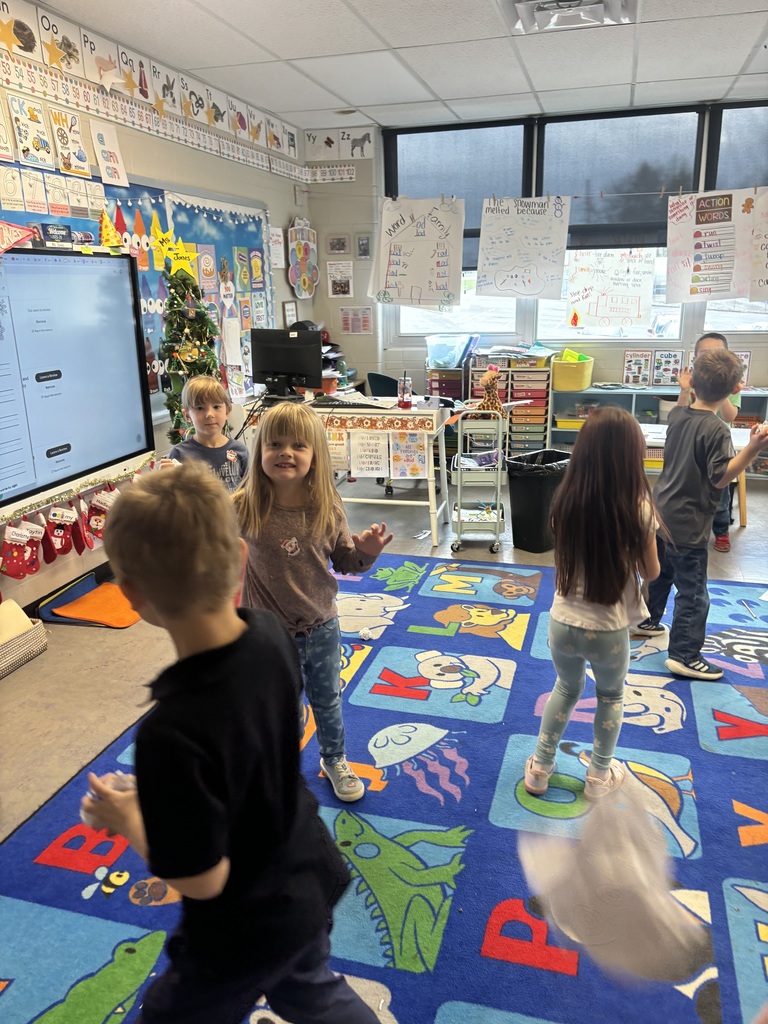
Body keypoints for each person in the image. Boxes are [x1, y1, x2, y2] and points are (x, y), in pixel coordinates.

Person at [80, 463, 379, 1024]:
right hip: (307, 874)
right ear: (242, 559)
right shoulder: (270, 638)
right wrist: (168, 795)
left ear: (131, 596)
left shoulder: (171, 732)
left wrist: (130, 819)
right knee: (308, 989)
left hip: (242, 928)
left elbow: (201, 877)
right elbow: (239, 751)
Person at [233, 402, 393, 802]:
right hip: (267, 634)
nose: (286, 452)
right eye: (275, 443)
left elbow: (347, 563)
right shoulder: (244, 505)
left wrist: (368, 551)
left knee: (326, 701)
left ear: (315, 455)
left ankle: (333, 758)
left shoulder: (326, 505)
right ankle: (275, 767)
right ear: (260, 451)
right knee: (275, 707)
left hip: (320, 626)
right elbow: (205, 537)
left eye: (298, 445)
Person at [524, 407, 661, 801]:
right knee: (611, 696)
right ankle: (599, 776)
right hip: (611, 630)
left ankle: (539, 768)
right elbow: (651, 572)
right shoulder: (638, 508)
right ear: (630, 457)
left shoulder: (564, 501)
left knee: (566, 688)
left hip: (562, 623)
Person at [638, 349, 768, 680]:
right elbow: (720, 476)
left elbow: (683, 405)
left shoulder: (680, 416)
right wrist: (752, 447)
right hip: (689, 523)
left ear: (693, 381)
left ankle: (645, 620)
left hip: (662, 512)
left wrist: (685, 388)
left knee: (662, 573)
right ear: (735, 389)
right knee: (693, 593)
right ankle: (684, 654)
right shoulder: (717, 429)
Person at [676, 332, 742, 552]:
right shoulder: (695, 383)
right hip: (693, 445)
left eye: (718, 353)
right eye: (705, 354)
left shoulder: (729, 384)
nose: (712, 359)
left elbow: (730, 417)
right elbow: (680, 411)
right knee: (691, 488)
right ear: (695, 359)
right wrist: (685, 390)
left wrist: (722, 391)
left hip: (718, 447)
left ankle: (721, 531)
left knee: (720, 494)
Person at [161, 376, 248, 493]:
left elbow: (250, 494)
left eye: (216, 407)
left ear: (227, 411)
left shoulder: (240, 451)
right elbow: (173, 499)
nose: (209, 414)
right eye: (200, 408)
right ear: (187, 415)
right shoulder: (179, 454)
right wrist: (164, 481)